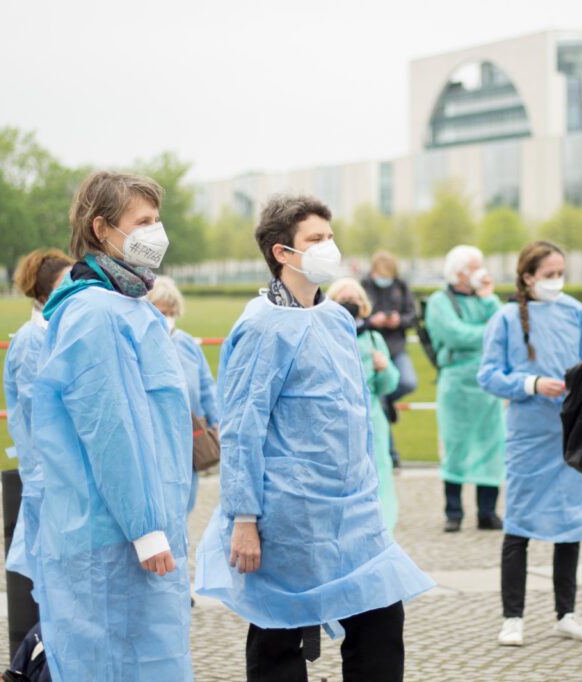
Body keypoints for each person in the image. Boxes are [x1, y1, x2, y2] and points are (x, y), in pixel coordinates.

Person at [194, 194, 433, 682]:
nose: (330, 246)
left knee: (381, 621)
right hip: (289, 515)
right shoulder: (262, 328)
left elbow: (354, 414)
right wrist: (244, 517)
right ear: (283, 252)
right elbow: (241, 428)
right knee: (279, 634)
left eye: (330, 236)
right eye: (316, 239)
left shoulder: (338, 319)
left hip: (351, 512)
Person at [31, 171, 193, 680]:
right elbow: (111, 432)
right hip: (113, 536)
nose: (156, 231)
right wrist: (145, 527)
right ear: (102, 229)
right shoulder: (96, 314)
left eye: (157, 219)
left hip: (139, 525)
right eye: (142, 221)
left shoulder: (126, 303)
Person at [477, 241, 582, 648]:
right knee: (519, 524)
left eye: (560, 273)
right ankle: (512, 617)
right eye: (548, 274)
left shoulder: (573, 311)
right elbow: (489, 375)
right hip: (529, 436)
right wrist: (531, 384)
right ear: (528, 277)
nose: (556, 281)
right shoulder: (507, 318)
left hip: (570, 434)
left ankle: (566, 613)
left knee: (570, 523)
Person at [4, 249, 73, 585]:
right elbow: (40, 413)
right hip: (49, 475)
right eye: (66, 284)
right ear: (45, 296)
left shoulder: (62, 333)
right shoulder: (32, 340)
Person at [426, 245, 506, 533]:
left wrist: (488, 300)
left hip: (488, 385)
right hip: (457, 386)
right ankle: (454, 511)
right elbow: (454, 335)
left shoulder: (485, 300)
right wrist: (486, 332)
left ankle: (488, 512)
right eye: (474, 267)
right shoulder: (440, 301)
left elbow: (503, 326)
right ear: (458, 272)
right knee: (455, 446)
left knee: (492, 445)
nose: (480, 272)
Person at [327, 276, 401, 531]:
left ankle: (381, 529)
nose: (351, 304)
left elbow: (389, 385)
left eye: (356, 299)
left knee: (379, 472)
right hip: (337, 418)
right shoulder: (325, 336)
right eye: (344, 299)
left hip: (372, 418)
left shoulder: (373, 339)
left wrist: (384, 369)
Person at [148, 275, 220, 515]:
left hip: (190, 433)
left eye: (171, 312)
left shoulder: (187, 343)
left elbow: (206, 384)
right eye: (161, 311)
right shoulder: (142, 343)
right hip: (155, 434)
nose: (167, 317)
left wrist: (216, 419)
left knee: (186, 496)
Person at [361, 250, 418, 467]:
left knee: (407, 382)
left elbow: (412, 316)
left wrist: (398, 321)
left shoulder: (401, 286)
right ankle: (391, 454)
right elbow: (358, 317)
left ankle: (389, 401)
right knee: (379, 400)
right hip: (374, 348)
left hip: (395, 347)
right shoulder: (364, 287)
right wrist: (372, 321)